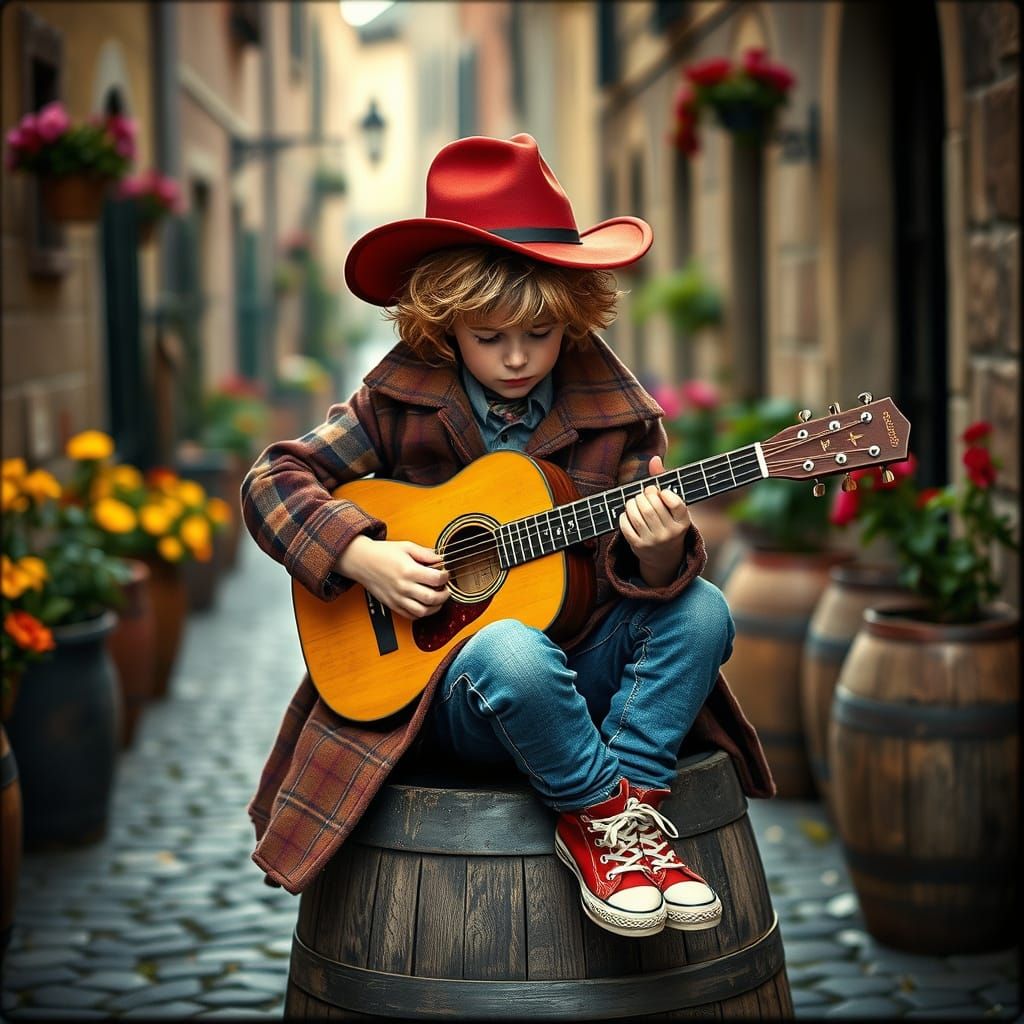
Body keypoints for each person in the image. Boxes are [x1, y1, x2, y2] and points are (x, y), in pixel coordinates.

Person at [242, 134, 774, 935]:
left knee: (702, 611)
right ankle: (605, 813)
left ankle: (620, 825)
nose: (518, 358)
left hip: (581, 677)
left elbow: (644, 579)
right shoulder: (397, 403)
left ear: (573, 314)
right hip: (454, 697)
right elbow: (270, 482)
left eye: (540, 334)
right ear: (443, 324)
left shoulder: (617, 419)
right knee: (509, 646)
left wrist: (660, 554)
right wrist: (363, 554)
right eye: (489, 338)